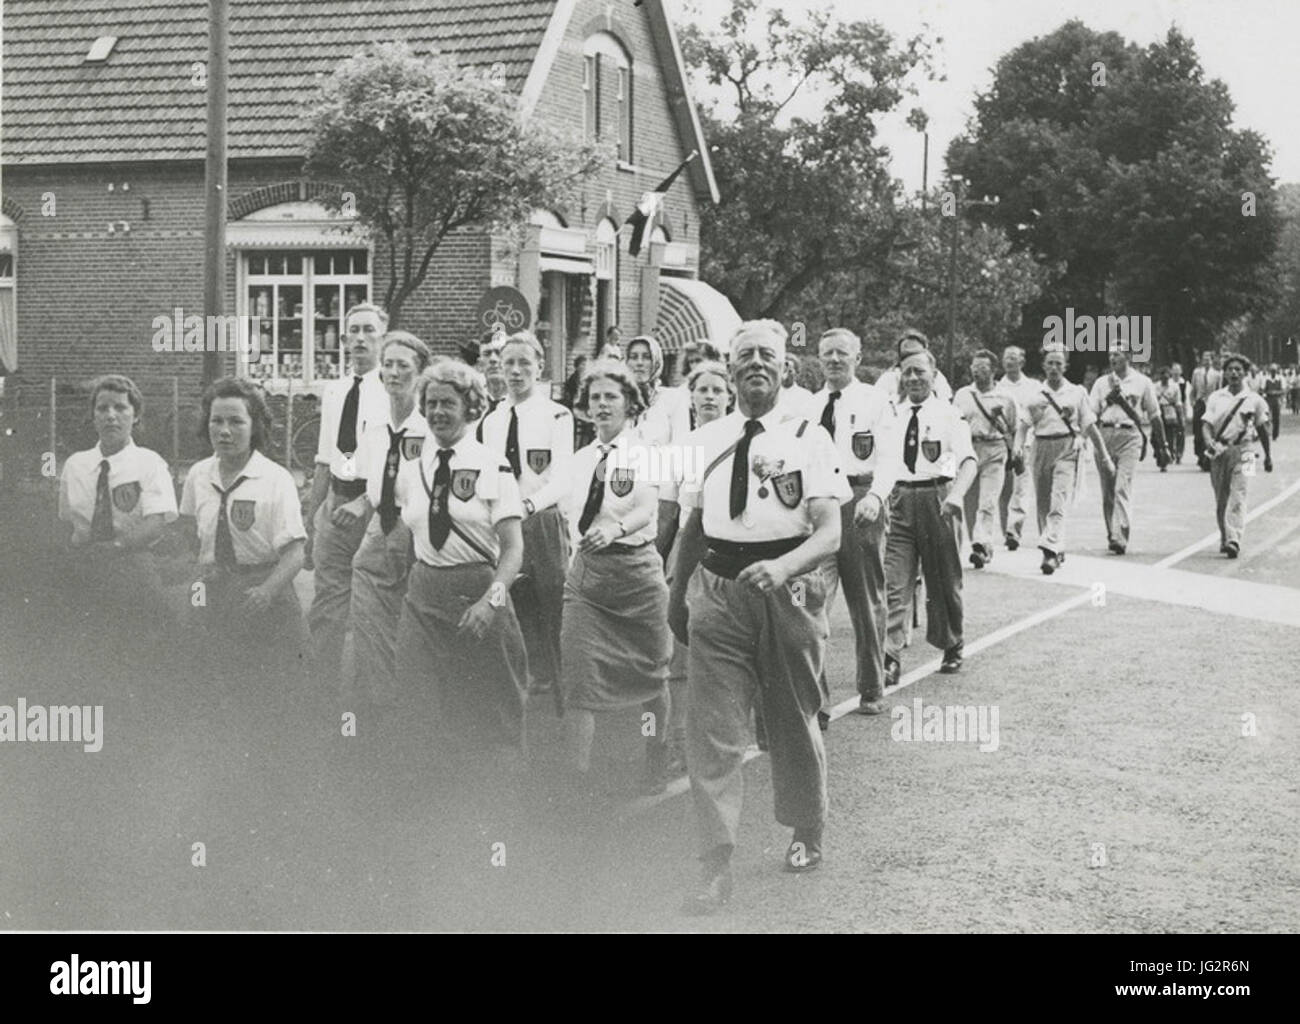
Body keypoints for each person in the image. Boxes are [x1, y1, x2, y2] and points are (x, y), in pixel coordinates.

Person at [668, 319, 848, 914]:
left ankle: (806, 828)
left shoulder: (807, 435)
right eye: (744, 356)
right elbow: (693, 525)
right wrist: (676, 595)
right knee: (712, 731)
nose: (755, 365)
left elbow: (829, 531)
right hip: (718, 588)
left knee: (793, 717)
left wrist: (785, 568)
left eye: (766, 356)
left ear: (785, 366)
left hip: (787, 589)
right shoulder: (704, 438)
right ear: (729, 364)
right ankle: (714, 863)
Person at [392, 361, 529, 758]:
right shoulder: (413, 468)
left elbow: (513, 549)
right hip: (423, 594)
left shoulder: (492, 465)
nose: (437, 412)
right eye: (431, 403)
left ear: (470, 408)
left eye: (448, 403)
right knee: (418, 700)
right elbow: (410, 531)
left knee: (493, 703)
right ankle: (432, 796)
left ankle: (498, 796)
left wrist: (490, 603)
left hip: (477, 592)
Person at [560, 359, 672, 793]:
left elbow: (646, 507)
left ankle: (655, 753)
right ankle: (576, 782)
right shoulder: (579, 460)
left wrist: (615, 528)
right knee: (579, 677)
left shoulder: (644, 453)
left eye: (611, 396)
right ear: (585, 407)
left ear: (630, 403)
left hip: (637, 576)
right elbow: (569, 511)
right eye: (595, 398)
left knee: (650, 676)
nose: (602, 404)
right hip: (588, 581)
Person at [179, 377, 307, 680]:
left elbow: (295, 553)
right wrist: (195, 569)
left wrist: (266, 591)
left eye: (236, 421)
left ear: (256, 426)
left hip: (264, 595)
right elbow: (186, 531)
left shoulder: (275, 479)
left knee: (276, 689)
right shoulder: (198, 475)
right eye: (216, 421)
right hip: (214, 592)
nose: (224, 431)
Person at [479, 331, 574, 702]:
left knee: (554, 602)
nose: (516, 372)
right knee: (513, 603)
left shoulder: (556, 414)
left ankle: (566, 684)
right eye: (509, 364)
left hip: (542, 521)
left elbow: (563, 476)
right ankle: (532, 676)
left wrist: (530, 506)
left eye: (524, 363)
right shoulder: (492, 418)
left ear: (540, 366)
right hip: (505, 526)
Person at [57, 374, 178, 652]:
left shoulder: (149, 463)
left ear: (135, 415)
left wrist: (117, 546)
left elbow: (156, 522)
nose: (111, 416)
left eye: (121, 408)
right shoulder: (75, 465)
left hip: (132, 560)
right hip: (86, 562)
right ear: (93, 416)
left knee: (143, 638)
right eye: (102, 408)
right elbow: (69, 520)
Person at [813, 328, 898, 716]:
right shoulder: (809, 407)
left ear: (857, 359)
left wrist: (877, 497)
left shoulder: (875, 401)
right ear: (819, 359)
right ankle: (818, 700)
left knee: (865, 602)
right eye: (827, 353)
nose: (834, 359)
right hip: (821, 507)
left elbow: (889, 457)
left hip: (861, 502)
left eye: (842, 354)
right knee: (813, 603)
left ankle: (871, 687)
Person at [345, 332, 433, 705]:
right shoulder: (375, 426)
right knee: (366, 611)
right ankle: (378, 701)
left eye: (404, 366)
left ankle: (410, 701)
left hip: (419, 532)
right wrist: (362, 503)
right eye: (389, 365)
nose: (394, 373)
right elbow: (377, 481)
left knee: (410, 622)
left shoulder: (431, 426)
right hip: (380, 530)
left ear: (420, 373)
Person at [880, 349, 976, 687]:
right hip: (901, 500)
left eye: (920, 372)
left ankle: (952, 643)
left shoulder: (949, 415)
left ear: (933, 375)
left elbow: (968, 461)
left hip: (938, 499)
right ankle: (889, 656)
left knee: (943, 581)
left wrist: (956, 495)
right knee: (894, 583)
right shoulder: (893, 414)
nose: (913, 379)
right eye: (907, 373)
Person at [306, 302, 389, 689]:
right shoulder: (335, 390)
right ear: (342, 340)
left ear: (382, 338)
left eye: (368, 331)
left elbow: (396, 462)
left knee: (373, 604)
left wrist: (365, 502)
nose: (359, 338)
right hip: (338, 502)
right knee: (328, 601)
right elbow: (326, 457)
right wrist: (313, 514)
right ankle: (319, 690)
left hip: (376, 508)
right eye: (353, 331)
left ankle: (371, 697)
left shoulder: (393, 391)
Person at [659, 359, 733, 775]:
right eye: (702, 390)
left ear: (729, 396)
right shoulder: (680, 446)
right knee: (681, 642)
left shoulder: (742, 438)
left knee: (728, 641)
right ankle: (680, 743)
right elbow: (668, 509)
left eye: (716, 390)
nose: (708, 397)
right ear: (690, 397)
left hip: (732, 542)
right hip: (691, 540)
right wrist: (660, 557)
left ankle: (734, 730)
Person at [1014, 346, 1113, 574]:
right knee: (1043, 504)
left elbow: (1089, 426)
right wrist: (1017, 448)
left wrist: (1105, 456)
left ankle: (1050, 550)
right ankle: (1053, 546)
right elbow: (1023, 426)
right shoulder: (1035, 395)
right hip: (1040, 447)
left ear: (1066, 366)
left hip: (1067, 447)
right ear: (1043, 366)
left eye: (1059, 363)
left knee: (1058, 501)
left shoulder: (1077, 393)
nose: (1054, 368)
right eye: (1050, 363)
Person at [1089, 349, 1168, 554]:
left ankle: (1120, 536)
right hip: (1105, 435)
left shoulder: (1142, 382)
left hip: (1130, 436)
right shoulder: (1101, 383)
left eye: (1118, 354)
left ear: (1128, 357)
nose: (1113, 358)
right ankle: (1112, 533)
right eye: (1110, 355)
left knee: (1121, 487)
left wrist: (1163, 444)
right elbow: (1091, 414)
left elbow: (1154, 414)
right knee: (1107, 491)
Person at [954, 349, 1020, 569]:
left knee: (988, 501)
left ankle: (982, 543)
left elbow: (1014, 427)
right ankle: (978, 543)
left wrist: (1017, 450)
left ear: (993, 371)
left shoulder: (1006, 398)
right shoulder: (963, 395)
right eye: (974, 367)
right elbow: (954, 425)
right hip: (968, 450)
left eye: (982, 367)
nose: (977, 371)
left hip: (994, 449)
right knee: (970, 502)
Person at [1203, 354, 1273, 557]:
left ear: (1245, 373)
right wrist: (1209, 442)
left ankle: (1234, 538)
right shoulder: (1216, 398)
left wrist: (1268, 455)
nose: (1234, 373)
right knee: (1221, 498)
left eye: (1238, 369)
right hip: (1220, 451)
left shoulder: (1255, 400)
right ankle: (1225, 536)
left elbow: (1263, 429)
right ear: (1224, 373)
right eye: (1230, 369)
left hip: (1246, 450)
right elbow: (1206, 424)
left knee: (1240, 494)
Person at [995, 345, 1040, 549]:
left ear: (1022, 362)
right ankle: (1007, 529)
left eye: (1013, 358)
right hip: (1003, 443)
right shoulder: (997, 388)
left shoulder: (1033, 386)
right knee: (1005, 490)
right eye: (1006, 358)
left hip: (1026, 442)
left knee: (1022, 487)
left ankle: (1014, 529)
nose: (1009, 362)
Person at [626, 334, 690, 445]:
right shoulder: (619, 400)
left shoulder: (673, 399)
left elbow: (681, 443)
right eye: (634, 357)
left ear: (656, 362)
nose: (639, 363)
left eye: (647, 357)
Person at [874, 330, 954, 403]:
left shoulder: (936, 377)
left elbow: (945, 402)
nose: (910, 357)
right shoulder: (888, 378)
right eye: (905, 354)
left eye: (915, 352)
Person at [1190, 350, 1222, 470]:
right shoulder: (1196, 373)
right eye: (1204, 359)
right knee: (1198, 431)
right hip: (1199, 404)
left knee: (1210, 431)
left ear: (1212, 361)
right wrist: (1193, 402)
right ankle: (1199, 456)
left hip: (1211, 404)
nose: (1206, 361)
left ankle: (1208, 458)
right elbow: (1192, 390)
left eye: (1209, 359)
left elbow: (1219, 391)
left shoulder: (1217, 374)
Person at [776, 353, 819, 419]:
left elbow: (809, 418)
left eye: (790, 371)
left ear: (796, 373)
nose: (786, 374)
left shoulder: (806, 396)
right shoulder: (771, 395)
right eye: (783, 370)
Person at [1263, 364, 1284, 440]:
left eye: (1274, 371)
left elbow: (1283, 391)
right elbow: (1263, 390)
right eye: (1272, 371)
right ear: (1270, 371)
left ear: (1276, 371)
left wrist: (1276, 392)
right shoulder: (1266, 379)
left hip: (1276, 400)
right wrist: (1267, 392)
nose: (1273, 373)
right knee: (1266, 417)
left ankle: (1275, 435)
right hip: (1268, 400)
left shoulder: (1280, 379)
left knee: (1276, 418)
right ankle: (1266, 433)